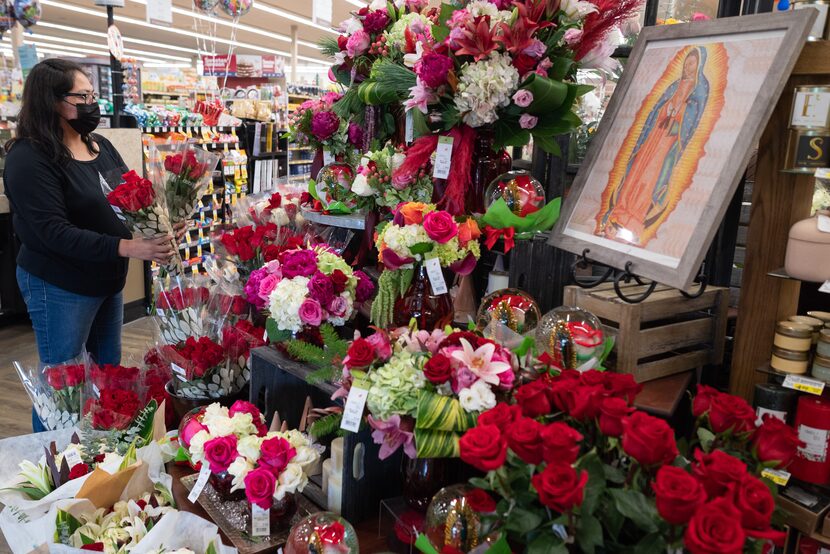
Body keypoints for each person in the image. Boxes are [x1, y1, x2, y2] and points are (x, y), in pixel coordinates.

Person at [3, 59, 178, 431]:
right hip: (59, 285)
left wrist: (161, 221)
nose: (91, 105)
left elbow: (129, 197)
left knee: (107, 377)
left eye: (92, 95)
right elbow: (52, 232)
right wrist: (129, 248)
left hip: (104, 280)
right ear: (51, 101)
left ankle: (100, 452)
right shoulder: (29, 157)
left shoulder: (99, 145)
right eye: (81, 96)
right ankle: (54, 463)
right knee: (63, 385)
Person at [596, 47, 711, 246]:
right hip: (653, 137)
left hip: (669, 143)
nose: (688, 66)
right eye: (686, 62)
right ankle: (620, 211)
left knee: (651, 179)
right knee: (635, 173)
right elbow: (657, 108)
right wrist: (667, 108)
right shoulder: (675, 85)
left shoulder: (699, 89)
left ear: (699, 65)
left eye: (692, 63)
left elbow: (695, 115)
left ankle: (635, 219)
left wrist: (680, 111)